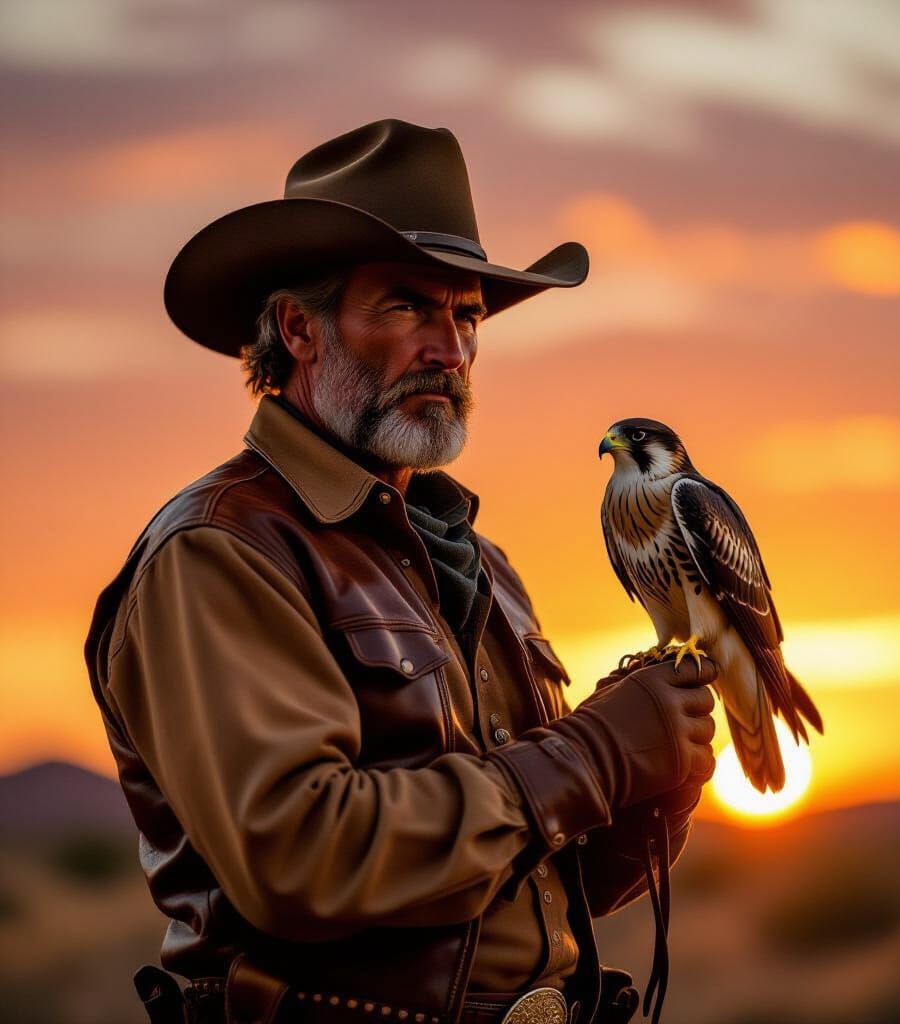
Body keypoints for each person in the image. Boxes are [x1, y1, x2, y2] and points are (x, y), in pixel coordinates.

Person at [84, 118, 717, 1024]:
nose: (451, 351)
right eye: (408, 307)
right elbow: (301, 862)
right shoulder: (221, 552)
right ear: (299, 329)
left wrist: (656, 775)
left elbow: (519, 875)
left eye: (465, 316)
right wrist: (593, 752)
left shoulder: (477, 559)